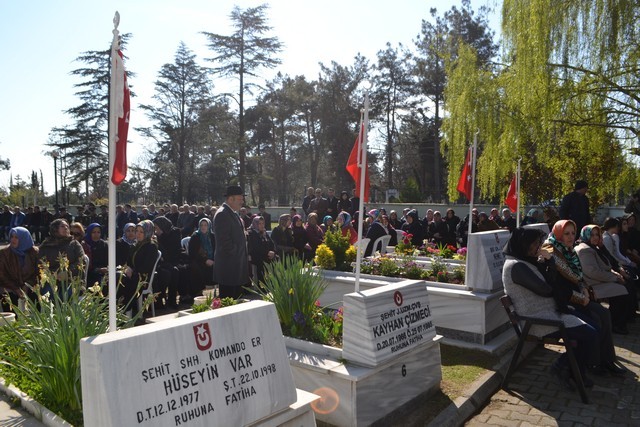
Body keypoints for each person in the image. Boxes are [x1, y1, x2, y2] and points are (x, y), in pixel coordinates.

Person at [503, 227, 597, 389]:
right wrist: (548, 265)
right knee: (590, 334)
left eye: (539, 243)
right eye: (535, 244)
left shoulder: (526, 261)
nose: (539, 247)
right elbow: (546, 289)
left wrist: (548, 262)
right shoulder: (515, 266)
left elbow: (550, 283)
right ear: (523, 244)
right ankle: (562, 367)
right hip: (537, 320)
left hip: (549, 312)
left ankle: (574, 373)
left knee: (593, 328)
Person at [541, 220, 625, 375]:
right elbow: (558, 286)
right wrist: (581, 296)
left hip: (578, 296)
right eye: (566, 233)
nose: (570, 237)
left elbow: (578, 276)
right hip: (564, 301)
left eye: (573, 233)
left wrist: (584, 288)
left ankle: (606, 360)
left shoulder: (569, 250)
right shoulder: (551, 251)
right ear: (558, 234)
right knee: (596, 318)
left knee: (604, 313)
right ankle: (593, 363)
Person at [575, 225, 635, 334]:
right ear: (586, 235)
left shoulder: (594, 247)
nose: (595, 237)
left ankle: (621, 319)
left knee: (628, 284)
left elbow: (608, 263)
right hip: (594, 284)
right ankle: (616, 323)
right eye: (592, 235)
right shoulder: (585, 250)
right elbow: (593, 272)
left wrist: (602, 247)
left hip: (600, 280)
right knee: (623, 290)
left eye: (597, 235)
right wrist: (615, 278)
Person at [213, 185, 250, 299]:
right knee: (229, 302)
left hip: (236, 267)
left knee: (236, 302)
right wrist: (237, 252)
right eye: (240, 199)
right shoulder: (222, 214)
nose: (242, 202)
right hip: (229, 268)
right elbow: (225, 243)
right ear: (230, 199)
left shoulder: (232, 213)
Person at [120, 220, 159, 312]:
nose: (138, 234)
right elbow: (129, 261)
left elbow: (146, 267)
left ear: (148, 232)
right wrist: (128, 268)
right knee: (115, 278)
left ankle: (123, 310)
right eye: (137, 231)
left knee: (122, 282)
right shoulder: (135, 244)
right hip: (132, 274)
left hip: (142, 278)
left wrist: (133, 271)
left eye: (141, 232)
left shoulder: (151, 246)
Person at [38, 219, 85, 294]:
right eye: (62, 226)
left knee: (68, 293)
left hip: (72, 279)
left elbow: (81, 261)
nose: (66, 228)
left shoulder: (74, 244)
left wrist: (68, 273)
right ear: (55, 229)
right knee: (49, 293)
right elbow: (40, 263)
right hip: (51, 280)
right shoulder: (46, 245)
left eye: (67, 226)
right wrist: (54, 274)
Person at [0, 227, 38, 312]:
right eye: (12, 237)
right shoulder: (4, 253)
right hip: (10, 286)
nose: (13, 240)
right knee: (7, 297)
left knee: (35, 295)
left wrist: (27, 285)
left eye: (16, 237)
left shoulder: (34, 252)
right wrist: (16, 288)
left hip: (29, 285)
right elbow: (2, 275)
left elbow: (38, 272)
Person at [152, 216, 183, 308]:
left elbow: (173, 250)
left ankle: (172, 300)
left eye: (157, 228)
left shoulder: (175, 232)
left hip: (173, 259)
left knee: (175, 271)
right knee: (169, 272)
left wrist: (161, 237)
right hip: (160, 263)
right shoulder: (156, 237)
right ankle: (161, 300)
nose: (156, 231)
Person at [188, 218, 216, 299]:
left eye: (205, 225)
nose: (203, 227)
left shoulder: (213, 236)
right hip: (199, 260)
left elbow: (217, 250)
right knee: (195, 268)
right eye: (201, 225)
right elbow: (193, 253)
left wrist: (213, 260)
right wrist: (205, 260)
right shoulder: (195, 236)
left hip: (212, 260)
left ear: (209, 226)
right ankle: (198, 292)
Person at [247, 216, 276, 284]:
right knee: (262, 267)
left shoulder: (264, 232)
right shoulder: (251, 233)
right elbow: (255, 247)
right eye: (259, 223)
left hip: (267, 256)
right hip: (257, 257)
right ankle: (262, 285)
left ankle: (272, 284)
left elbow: (272, 243)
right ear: (255, 224)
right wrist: (267, 252)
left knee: (276, 260)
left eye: (263, 223)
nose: (262, 225)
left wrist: (273, 252)